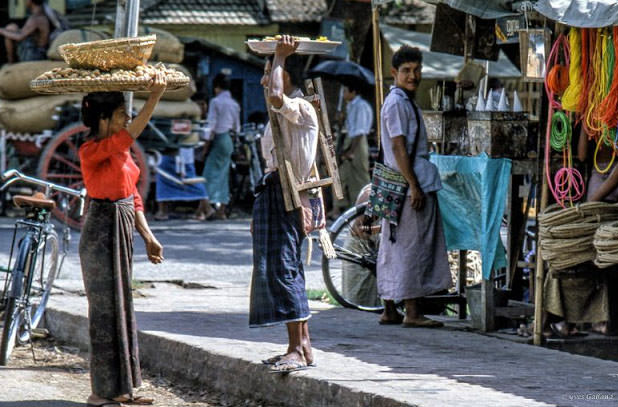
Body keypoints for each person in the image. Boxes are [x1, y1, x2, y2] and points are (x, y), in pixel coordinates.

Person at [78, 73, 166, 407]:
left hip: (123, 227)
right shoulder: (91, 150)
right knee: (103, 312)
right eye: (121, 114)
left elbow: (132, 199)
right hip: (101, 233)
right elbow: (127, 137)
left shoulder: (123, 153)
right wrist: (153, 98)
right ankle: (99, 392)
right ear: (103, 118)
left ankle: (123, 390)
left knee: (123, 308)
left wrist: (148, 237)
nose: (126, 119)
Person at [249, 35, 318, 373]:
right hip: (275, 191)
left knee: (286, 267)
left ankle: (297, 348)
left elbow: (276, 95)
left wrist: (278, 57)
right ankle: (301, 345)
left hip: (290, 193)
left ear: (286, 73)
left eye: (270, 70)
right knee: (281, 267)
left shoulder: (299, 107)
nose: (265, 78)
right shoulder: (279, 114)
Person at [377, 45, 451, 327]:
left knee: (394, 244)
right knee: (411, 245)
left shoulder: (404, 101)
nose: (413, 75)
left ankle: (390, 309)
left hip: (400, 181)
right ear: (394, 73)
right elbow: (398, 147)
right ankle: (412, 312)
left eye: (417, 70)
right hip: (406, 182)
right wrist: (414, 186)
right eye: (406, 70)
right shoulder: (397, 103)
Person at [543, 127, 617, 337]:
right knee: (574, 256)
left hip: (606, 189)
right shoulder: (596, 118)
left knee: (602, 257)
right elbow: (584, 155)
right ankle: (564, 319)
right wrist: (586, 124)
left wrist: (590, 203)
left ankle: (600, 319)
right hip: (598, 176)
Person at [196, 73, 241, 220]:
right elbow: (237, 127)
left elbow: (211, 126)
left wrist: (205, 148)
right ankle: (221, 210)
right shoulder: (234, 104)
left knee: (207, 175)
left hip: (219, 139)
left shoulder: (216, 102)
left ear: (216, 87)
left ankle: (205, 208)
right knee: (222, 176)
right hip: (229, 140)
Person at [331, 83, 372, 218]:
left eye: (345, 91)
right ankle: (339, 208)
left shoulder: (360, 106)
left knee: (360, 176)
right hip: (349, 140)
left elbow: (359, 131)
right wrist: (342, 120)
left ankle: (365, 207)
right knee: (342, 175)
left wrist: (351, 150)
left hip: (357, 143)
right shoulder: (350, 106)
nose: (343, 94)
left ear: (353, 91)